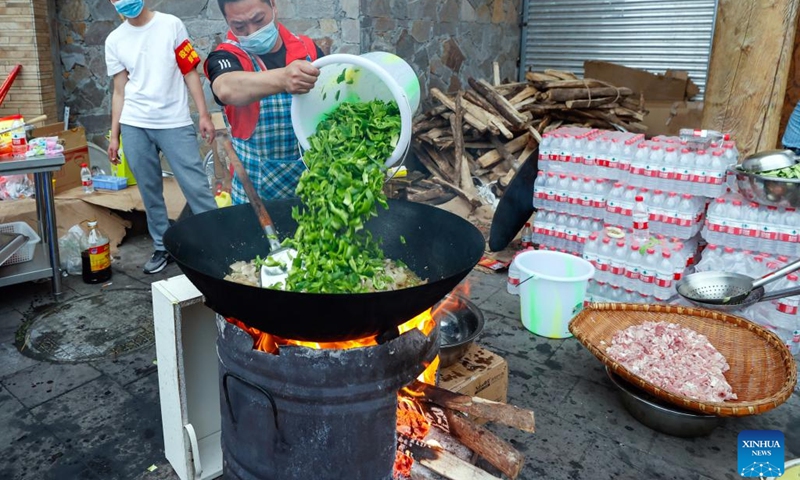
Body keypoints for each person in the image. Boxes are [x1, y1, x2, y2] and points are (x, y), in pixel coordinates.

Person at [105, 0, 219, 274]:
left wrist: (202, 114)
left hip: (174, 122)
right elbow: (119, 91)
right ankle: (161, 246)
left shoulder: (171, 25)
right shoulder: (114, 40)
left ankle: (218, 242)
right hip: (134, 123)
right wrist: (115, 135)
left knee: (196, 186)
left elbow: (190, 72)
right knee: (150, 190)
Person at [204, 0, 323, 204]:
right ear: (227, 22)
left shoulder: (308, 49)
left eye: (259, 20)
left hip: (314, 185)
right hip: (256, 194)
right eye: (239, 26)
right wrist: (283, 79)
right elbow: (225, 87)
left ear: (274, 6)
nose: (251, 32)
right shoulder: (226, 56)